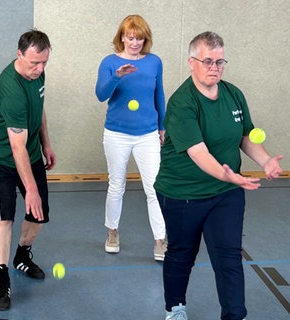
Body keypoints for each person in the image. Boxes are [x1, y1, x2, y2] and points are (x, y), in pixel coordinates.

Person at [155, 31, 283, 320]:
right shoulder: (181, 103)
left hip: (225, 194)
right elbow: (199, 154)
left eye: (220, 61)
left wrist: (265, 160)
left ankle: (234, 315)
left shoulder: (233, 94)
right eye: (208, 61)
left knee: (228, 258)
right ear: (191, 62)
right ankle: (175, 308)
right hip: (182, 193)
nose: (214, 67)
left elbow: (245, 135)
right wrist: (231, 177)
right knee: (181, 254)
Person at [0, 29, 56, 311]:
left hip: (31, 151)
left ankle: (22, 256)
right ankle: (2, 278)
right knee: (5, 215)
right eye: (34, 63)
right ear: (19, 55)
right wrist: (32, 190)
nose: (39, 69)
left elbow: (39, 108)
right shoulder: (11, 88)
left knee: (39, 213)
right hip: (1, 156)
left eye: (44, 62)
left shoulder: (38, 73)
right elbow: (16, 148)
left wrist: (47, 144)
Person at [95, 14, 167, 261]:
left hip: (147, 134)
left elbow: (159, 95)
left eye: (139, 38)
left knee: (155, 188)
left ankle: (160, 240)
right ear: (122, 38)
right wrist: (117, 75)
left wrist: (162, 126)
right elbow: (100, 95)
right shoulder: (109, 62)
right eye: (130, 37)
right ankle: (112, 232)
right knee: (116, 185)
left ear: (145, 39)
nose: (135, 42)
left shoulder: (154, 62)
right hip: (116, 133)